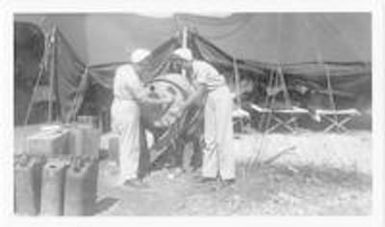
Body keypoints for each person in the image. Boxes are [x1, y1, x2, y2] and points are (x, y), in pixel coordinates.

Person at [169, 48, 236, 186]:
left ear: (186, 60)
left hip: (220, 95)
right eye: (177, 63)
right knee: (209, 137)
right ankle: (209, 174)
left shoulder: (201, 67)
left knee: (222, 136)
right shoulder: (188, 72)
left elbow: (199, 92)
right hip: (209, 98)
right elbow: (194, 94)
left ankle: (227, 176)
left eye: (180, 62)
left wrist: (182, 107)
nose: (179, 65)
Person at [110, 48, 172, 188]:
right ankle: (129, 177)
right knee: (131, 144)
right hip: (128, 108)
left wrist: (147, 88)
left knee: (125, 142)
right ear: (140, 62)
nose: (147, 66)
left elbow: (141, 87)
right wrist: (164, 101)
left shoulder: (123, 69)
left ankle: (125, 173)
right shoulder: (132, 78)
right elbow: (143, 99)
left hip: (117, 106)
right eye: (146, 63)